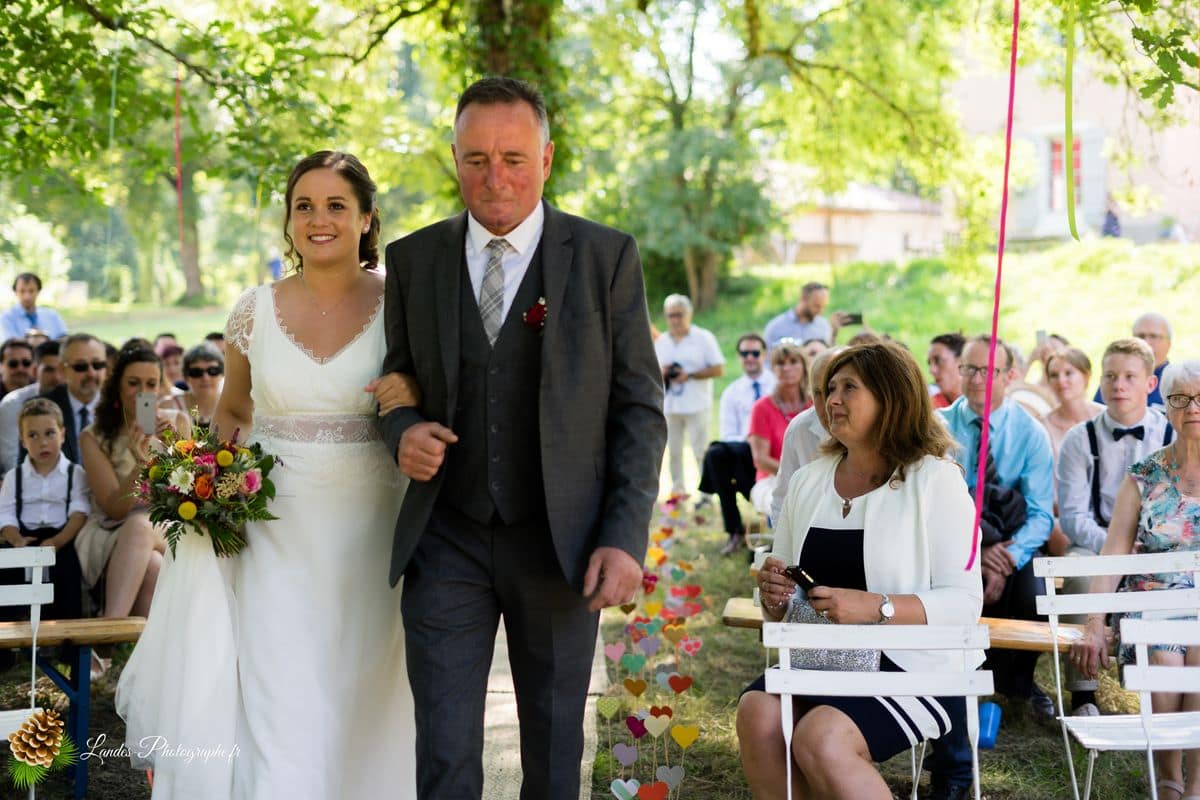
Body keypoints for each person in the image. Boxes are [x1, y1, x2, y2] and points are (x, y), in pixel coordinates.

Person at [381, 77, 666, 799]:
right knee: (443, 749)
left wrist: (624, 536)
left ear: (546, 158)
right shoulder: (413, 261)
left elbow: (639, 406)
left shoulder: (607, 257)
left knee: (552, 748)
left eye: (513, 157)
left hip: (560, 541)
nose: (494, 177)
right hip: (447, 536)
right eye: (476, 158)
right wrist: (402, 431)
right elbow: (396, 380)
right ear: (453, 157)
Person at [117, 151, 419, 797]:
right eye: (303, 205)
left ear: (367, 218)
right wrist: (203, 480)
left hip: (374, 531)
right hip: (274, 532)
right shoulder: (253, 308)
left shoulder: (404, 302)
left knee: (368, 685)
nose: (318, 219)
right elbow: (232, 410)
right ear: (288, 219)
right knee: (278, 688)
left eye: (337, 205)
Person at [738, 342, 981, 800]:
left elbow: (965, 603)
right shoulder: (809, 480)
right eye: (830, 388)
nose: (832, 400)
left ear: (891, 398)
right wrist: (774, 596)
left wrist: (875, 607)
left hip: (912, 664)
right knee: (756, 712)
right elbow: (785, 598)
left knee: (822, 736)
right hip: (819, 655)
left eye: (850, 388)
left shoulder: (935, 480)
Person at [931, 335, 1055, 799]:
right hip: (954, 539)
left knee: (1031, 588)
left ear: (1010, 376)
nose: (976, 379)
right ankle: (947, 676)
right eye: (968, 369)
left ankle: (1015, 683)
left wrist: (1008, 556)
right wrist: (976, 549)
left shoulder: (1030, 432)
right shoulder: (937, 425)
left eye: (988, 371)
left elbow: (1043, 511)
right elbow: (931, 498)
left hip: (1011, 540)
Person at [1070, 360, 1200, 800]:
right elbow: (1112, 557)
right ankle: (1168, 779)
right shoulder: (1144, 476)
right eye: (1181, 399)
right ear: (1166, 407)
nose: (1193, 407)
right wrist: (1094, 623)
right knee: (1163, 654)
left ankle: (1198, 785)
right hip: (1153, 601)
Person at [1055, 338, 1171, 716]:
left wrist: (1143, 548)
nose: (1118, 385)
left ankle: (1162, 689)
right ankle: (1083, 694)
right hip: (1096, 541)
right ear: (1100, 382)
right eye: (1110, 376)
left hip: (1156, 544)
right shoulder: (1079, 439)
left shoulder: (1171, 436)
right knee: (1079, 575)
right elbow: (1072, 517)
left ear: (1150, 385)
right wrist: (1116, 548)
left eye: (1129, 377)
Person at [0, 398, 89, 621]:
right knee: (7, 573)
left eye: (49, 433)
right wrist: (17, 540)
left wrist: (57, 542)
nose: (42, 442)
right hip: (24, 537)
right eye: (33, 435)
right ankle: (9, 640)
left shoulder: (75, 473)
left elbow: (79, 514)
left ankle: (67, 642)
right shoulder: (14, 477)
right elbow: (6, 514)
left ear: (62, 433)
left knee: (68, 576)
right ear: (22, 440)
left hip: (61, 538)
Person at [699, 333, 777, 555]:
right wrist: (750, 440)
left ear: (765, 355)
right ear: (739, 357)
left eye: (755, 353)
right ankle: (734, 530)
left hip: (773, 452)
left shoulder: (776, 384)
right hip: (743, 452)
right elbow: (728, 434)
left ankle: (708, 486)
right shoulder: (732, 392)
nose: (749, 358)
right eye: (744, 353)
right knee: (716, 453)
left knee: (714, 454)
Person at [655, 293, 725, 497]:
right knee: (673, 452)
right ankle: (678, 491)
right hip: (669, 406)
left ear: (689, 314)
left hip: (697, 404)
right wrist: (665, 373)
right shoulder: (661, 342)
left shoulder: (703, 338)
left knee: (700, 451)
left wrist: (690, 375)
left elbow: (719, 369)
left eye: (679, 314)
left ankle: (706, 494)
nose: (675, 319)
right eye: (671, 315)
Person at [769, 347, 840, 524]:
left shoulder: (877, 429)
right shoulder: (800, 429)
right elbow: (782, 499)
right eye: (818, 393)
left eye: (832, 389)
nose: (829, 402)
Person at [747, 342, 811, 519]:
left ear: (804, 366)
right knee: (785, 504)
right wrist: (797, 476)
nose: (787, 368)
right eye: (781, 363)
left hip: (814, 478)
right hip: (772, 479)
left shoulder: (815, 404)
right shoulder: (762, 407)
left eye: (793, 361)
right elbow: (761, 460)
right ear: (772, 369)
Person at [39, 333, 107, 464]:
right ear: (62, 370)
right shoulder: (43, 408)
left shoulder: (121, 405)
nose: (91, 373)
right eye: (81, 367)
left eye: (97, 365)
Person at [0, 338, 63, 473]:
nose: (57, 377)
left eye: (62, 370)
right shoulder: (13, 404)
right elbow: (12, 460)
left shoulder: (78, 402)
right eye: (49, 370)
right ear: (35, 372)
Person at [1094, 313, 1172, 410]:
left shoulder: (1176, 383)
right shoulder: (1115, 379)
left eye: (1154, 336)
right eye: (1140, 336)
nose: (1146, 342)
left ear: (1169, 343)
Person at [1040, 347, 1105, 459]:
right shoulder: (1042, 426)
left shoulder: (1107, 416)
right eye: (1054, 375)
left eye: (1068, 373)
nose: (1061, 381)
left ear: (1086, 376)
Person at [764, 282, 850, 347]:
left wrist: (834, 333)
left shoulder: (823, 325)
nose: (820, 311)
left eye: (823, 307)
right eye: (816, 306)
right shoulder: (776, 327)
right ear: (803, 298)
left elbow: (828, 357)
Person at [159, 344, 225, 427]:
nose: (205, 378)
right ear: (185, 376)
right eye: (196, 372)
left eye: (212, 371)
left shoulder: (233, 406)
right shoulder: (168, 407)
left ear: (222, 373)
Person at [1, 273, 68, 341]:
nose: (27, 297)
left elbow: (64, 339)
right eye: (22, 291)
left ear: (38, 291)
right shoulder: (7, 318)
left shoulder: (52, 315)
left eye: (31, 291)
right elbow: (10, 345)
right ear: (15, 292)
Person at [927, 333, 964, 409]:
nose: (931, 370)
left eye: (938, 361)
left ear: (962, 362)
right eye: (929, 363)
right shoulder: (928, 404)